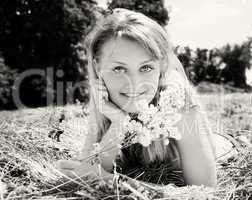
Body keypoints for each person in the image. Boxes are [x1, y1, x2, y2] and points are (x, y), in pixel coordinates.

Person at [56, 8, 216, 188]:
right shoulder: (103, 95)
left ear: (162, 65)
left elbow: (205, 191)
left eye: (146, 68)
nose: (134, 84)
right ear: (98, 66)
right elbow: (88, 169)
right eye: (119, 69)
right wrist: (118, 122)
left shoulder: (179, 104)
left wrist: (111, 181)